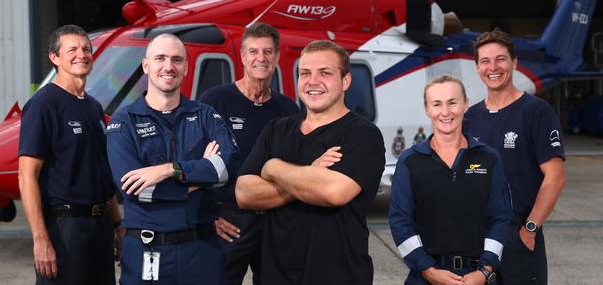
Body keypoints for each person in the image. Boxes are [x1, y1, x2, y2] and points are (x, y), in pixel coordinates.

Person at [236, 40, 386, 285]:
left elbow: (332, 192)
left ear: (345, 81)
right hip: (274, 276)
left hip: (339, 277)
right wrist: (310, 175)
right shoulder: (277, 129)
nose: (312, 81)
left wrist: (273, 166)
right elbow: (244, 194)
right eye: (304, 73)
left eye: (325, 73)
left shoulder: (363, 134)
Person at [106, 33, 241, 285]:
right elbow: (134, 190)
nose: (169, 66)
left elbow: (230, 167)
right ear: (146, 65)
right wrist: (201, 178)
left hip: (202, 250)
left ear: (186, 67)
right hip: (148, 251)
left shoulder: (206, 115)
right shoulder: (123, 123)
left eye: (177, 60)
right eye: (160, 58)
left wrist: (169, 170)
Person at [18, 24, 123, 285]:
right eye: (72, 49)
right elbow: (26, 176)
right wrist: (40, 239)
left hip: (99, 228)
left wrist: (117, 225)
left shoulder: (94, 107)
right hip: (65, 229)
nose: (82, 54)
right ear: (55, 58)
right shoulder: (43, 105)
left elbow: (102, 171)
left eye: (86, 49)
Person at [198, 23, 299, 284]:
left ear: (276, 57)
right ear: (242, 56)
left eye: (268, 52)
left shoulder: (287, 108)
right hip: (228, 221)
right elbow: (194, 163)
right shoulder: (214, 101)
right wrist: (208, 216)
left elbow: (297, 166)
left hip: (274, 220)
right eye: (253, 51)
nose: (261, 58)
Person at [463, 30, 566, 285]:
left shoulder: (537, 112)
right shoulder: (470, 117)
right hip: (478, 236)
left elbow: (555, 176)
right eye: (485, 61)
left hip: (518, 235)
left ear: (514, 63)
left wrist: (530, 229)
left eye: (501, 59)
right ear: (477, 68)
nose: (493, 67)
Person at [389, 74, 511, 285]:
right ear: (427, 109)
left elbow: (500, 219)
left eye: (452, 103)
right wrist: (427, 269)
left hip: (477, 276)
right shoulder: (410, 161)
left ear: (465, 105)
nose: (445, 112)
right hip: (425, 277)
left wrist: (485, 270)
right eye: (437, 104)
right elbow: (400, 223)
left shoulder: (489, 158)